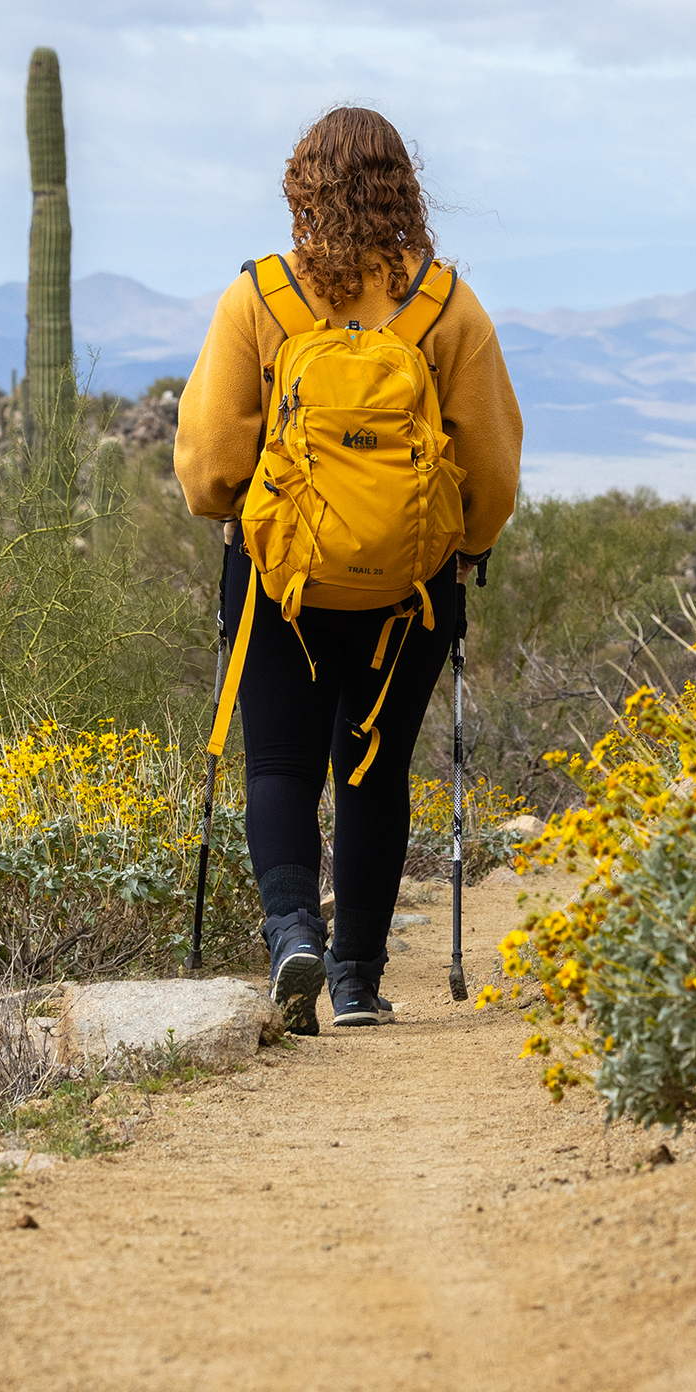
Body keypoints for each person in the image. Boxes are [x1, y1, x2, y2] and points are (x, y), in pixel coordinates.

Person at [175, 106, 523, 1029]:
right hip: (410, 592)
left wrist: (237, 513)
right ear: (404, 188)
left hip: (278, 581)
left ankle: (292, 932)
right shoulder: (446, 306)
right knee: (375, 770)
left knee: (282, 765)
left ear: (302, 186)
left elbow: (211, 467)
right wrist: (468, 544)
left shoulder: (262, 299)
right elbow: (490, 467)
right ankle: (358, 980)